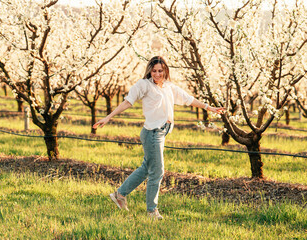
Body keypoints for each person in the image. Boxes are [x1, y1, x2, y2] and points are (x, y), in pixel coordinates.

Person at [93, 56, 225, 220]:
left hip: (162, 132)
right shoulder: (144, 85)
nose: (157, 74)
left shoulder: (169, 87)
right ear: (149, 71)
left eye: (160, 71)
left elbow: (188, 99)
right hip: (152, 133)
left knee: (145, 169)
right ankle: (151, 211)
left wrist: (208, 107)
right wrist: (108, 117)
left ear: (165, 71)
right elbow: (128, 102)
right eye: (154, 71)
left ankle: (119, 195)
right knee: (157, 172)